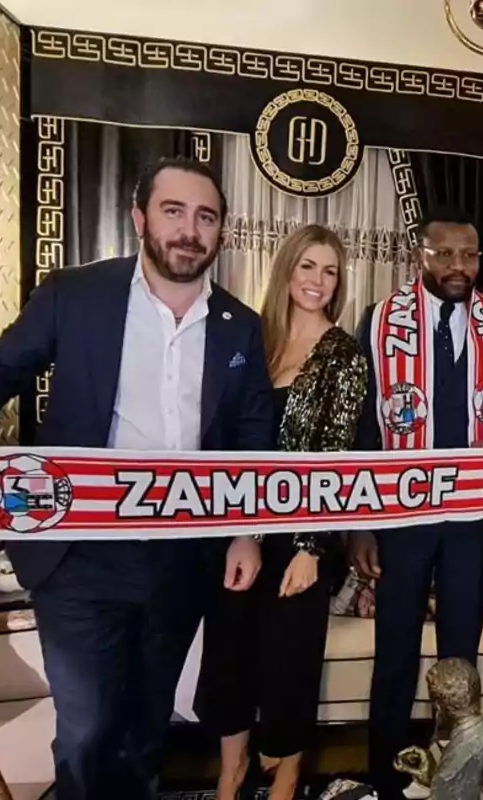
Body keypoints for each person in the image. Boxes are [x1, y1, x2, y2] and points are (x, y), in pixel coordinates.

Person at [0, 158, 273, 800]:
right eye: (173, 211)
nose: (190, 230)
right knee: (87, 728)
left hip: (183, 558)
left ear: (221, 233)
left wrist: (248, 534)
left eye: (205, 217)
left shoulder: (240, 324)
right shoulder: (75, 294)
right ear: (139, 219)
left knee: (147, 728)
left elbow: (251, 438)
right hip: (78, 553)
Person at [349, 207, 483, 797]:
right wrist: (360, 526)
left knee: (462, 657)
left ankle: (458, 775)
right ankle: (386, 778)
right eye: (446, 254)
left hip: (469, 523)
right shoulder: (380, 321)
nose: (460, 266)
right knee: (396, 654)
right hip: (400, 520)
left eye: (470, 254)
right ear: (420, 256)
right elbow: (361, 428)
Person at [198, 224, 367, 800]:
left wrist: (311, 547)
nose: (318, 281)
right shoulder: (252, 338)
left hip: (301, 540)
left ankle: (287, 775)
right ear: (287, 270)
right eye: (308, 267)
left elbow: (337, 458)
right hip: (238, 531)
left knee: (288, 661)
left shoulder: (344, 353)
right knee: (229, 654)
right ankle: (232, 770)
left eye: (331, 271)